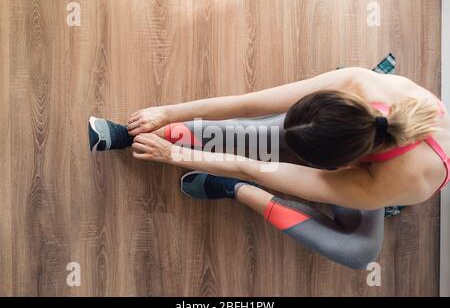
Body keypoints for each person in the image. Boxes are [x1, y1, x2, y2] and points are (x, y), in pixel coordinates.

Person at [88, 66, 449, 269]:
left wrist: (174, 157)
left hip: (377, 181)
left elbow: (257, 170)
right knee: (263, 130)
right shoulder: (357, 81)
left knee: (360, 253)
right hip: (351, 136)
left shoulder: (389, 182)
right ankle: (126, 135)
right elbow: (248, 104)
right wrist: (167, 111)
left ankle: (232, 192)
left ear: (341, 166)